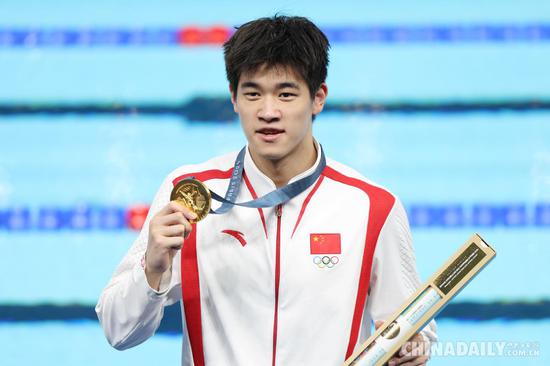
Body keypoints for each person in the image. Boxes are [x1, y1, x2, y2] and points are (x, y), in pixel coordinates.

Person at [96, 15, 436, 366]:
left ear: (318, 98)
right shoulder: (191, 191)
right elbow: (118, 331)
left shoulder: (372, 207)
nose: (268, 112)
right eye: (253, 93)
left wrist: (412, 349)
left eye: (286, 94)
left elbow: (411, 329)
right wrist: (152, 267)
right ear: (234, 98)